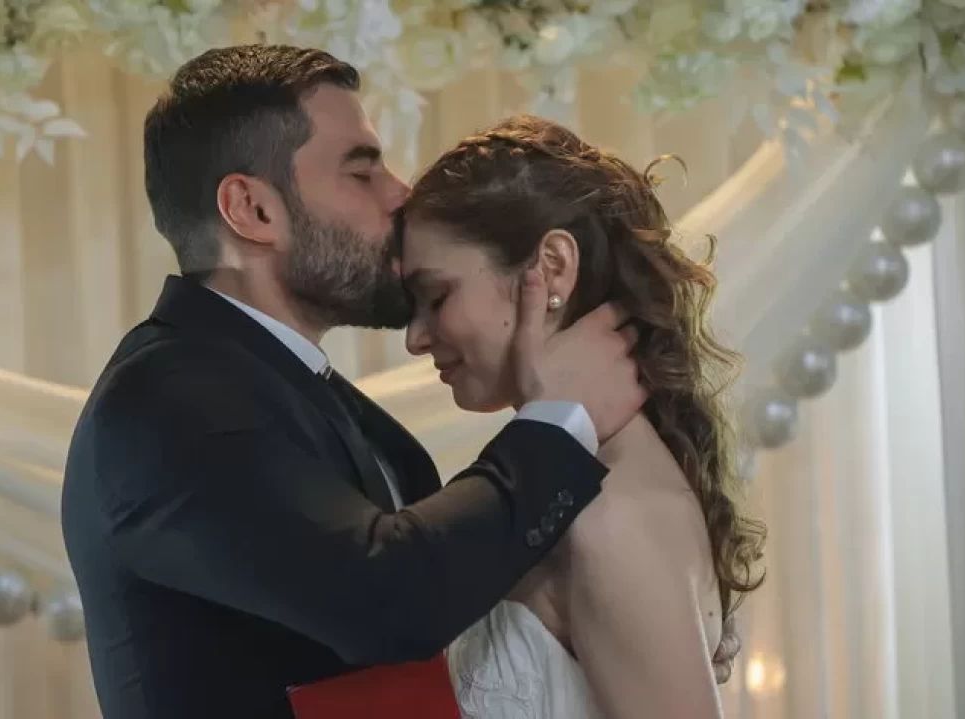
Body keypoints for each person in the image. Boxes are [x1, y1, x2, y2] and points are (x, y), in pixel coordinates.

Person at [59, 45, 650, 718]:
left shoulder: (319, 399)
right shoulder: (165, 400)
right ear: (252, 209)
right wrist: (560, 418)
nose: (400, 194)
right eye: (362, 171)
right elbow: (389, 596)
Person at [400, 115, 768, 717]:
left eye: (437, 296)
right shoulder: (578, 487)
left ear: (552, 266)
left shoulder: (608, 516)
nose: (415, 338)